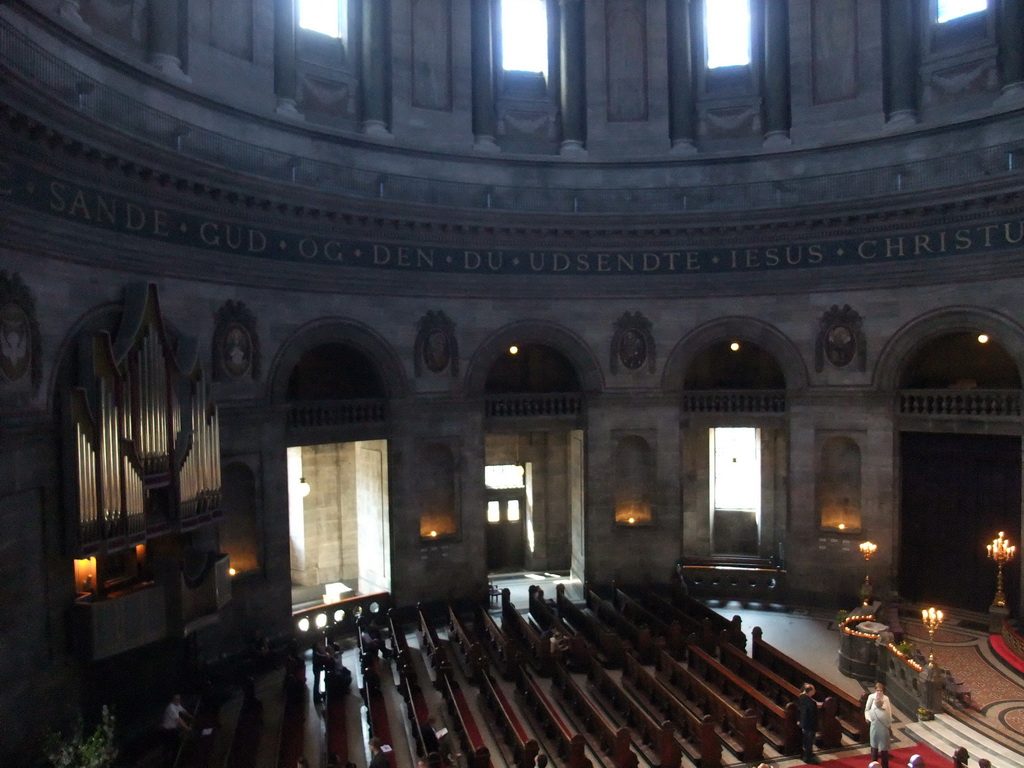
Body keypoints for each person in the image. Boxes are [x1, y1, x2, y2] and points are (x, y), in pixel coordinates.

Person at [866, 684, 893, 768]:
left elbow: (889, 710)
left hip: (875, 729)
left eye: (881, 690)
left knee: (875, 747)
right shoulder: (872, 698)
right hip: (881, 729)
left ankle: (874, 765)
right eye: (878, 690)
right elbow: (888, 719)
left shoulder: (886, 699)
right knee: (881, 748)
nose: (879, 692)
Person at [160, 694, 193, 761]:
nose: (179, 700)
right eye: (177, 699)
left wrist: (191, 717)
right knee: (169, 746)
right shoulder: (171, 708)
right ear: (173, 700)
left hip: (173, 729)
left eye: (179, 699)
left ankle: (174, 758)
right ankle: (169, 761)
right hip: (168, 731)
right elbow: (179, 719)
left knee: (176, 744)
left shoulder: (177, 705)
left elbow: (184, 711)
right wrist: (187, 728)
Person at [798, 683, 820, 764]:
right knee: (809, 741)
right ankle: (808, 758)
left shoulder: (801, 698)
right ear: (810, 692)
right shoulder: (811, 703)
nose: (815, 691)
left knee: (806, 740)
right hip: (810, 725)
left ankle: (806, 754)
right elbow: (812, 715)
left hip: (803, 723)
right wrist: (816, 727)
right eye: (813, 690)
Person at [312, 636, 333, 702]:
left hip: (317, 668)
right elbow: (321, 656)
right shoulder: (316, 653)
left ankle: (317, 696)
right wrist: (326, 656)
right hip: (316, 668)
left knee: (317, 682)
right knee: (316, 682)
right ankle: (316, 697)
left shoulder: (316, 652)